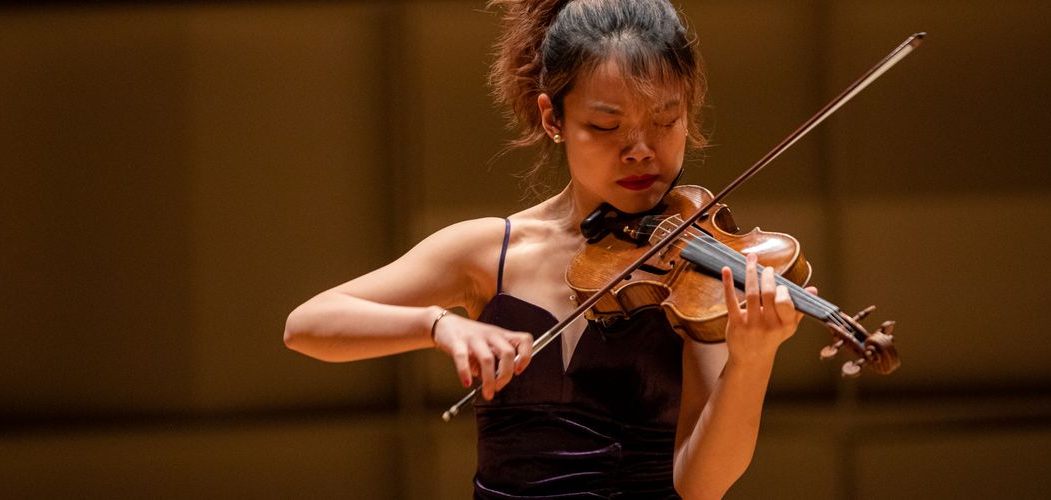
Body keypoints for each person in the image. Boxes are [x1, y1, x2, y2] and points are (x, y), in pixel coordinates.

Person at [284, 0, 812, 498]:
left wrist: (752, 360)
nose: (641, 152)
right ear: (552, 118)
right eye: (606, 126)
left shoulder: (694, 269)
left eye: (665, 121)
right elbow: (307, 325)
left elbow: (700, 486)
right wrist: (438, 325)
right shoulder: (490, 252)